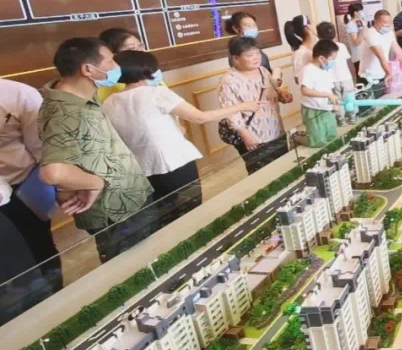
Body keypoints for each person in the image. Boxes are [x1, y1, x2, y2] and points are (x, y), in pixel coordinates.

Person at [38, 38, 154, 263]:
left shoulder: (82, 94)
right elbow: (53, 172)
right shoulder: (65, 111)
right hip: (114, 210)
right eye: (110, 61)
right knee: (134, 266)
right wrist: (96, 183)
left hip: (129, 197)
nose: (116, 66)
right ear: (88, 69)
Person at [105, 51, 258, 219]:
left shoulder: (109, 101)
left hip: (142, 168)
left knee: (163, 213)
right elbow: (200, 117)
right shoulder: (157, 93)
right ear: (145, 68)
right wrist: (241, 106)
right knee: (189, 210)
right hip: (174, 163)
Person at [0, 79, 60, 296]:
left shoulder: (18, 94)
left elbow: (41, 147)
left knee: (39, 245)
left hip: (26, 185)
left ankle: (55, 296)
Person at [219, 37, 287, 174]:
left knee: (283, 168)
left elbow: (270, 94)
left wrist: (281, 95)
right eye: (249, 55)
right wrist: (245, 135)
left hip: (275, 130)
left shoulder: (263, 71)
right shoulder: (228, 80)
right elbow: (230, 111)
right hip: (254, 136)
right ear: (236, 58)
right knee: (262, 173)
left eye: (257, 53)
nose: (256, 58)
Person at [300, 40, 343, 148]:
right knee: (318, 141)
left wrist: (335, 102)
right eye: (332, 59)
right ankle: (297, 137)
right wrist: (327, 95)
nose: (333, 62)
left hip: (327, 108)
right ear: (321, 58)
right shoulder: (308, 70)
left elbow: (330, 89)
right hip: (313, 109)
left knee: (331, 135)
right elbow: (305, 90)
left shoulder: (325, 69)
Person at [358, 10, 402, 90]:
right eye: (385, 23)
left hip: (383, 73)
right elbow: (381, 56)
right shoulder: (370, 34)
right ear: (376, 22)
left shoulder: (389, 32)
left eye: (390, 22)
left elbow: (398, 50)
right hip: (369, 76)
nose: (388, 25)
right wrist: (389, 73)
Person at [96, 28, 145, 101]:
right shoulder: (110, 83)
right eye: (132, 48)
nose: (141, 52)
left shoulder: (147, 72)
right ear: (112, 54)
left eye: (140, 45)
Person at [316, 22, 355, 87]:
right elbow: (346, 62)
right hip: (346, 78)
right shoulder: (341, 46)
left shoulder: (319, 49)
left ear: (319, 36)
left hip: (332, 81)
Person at [284, 14, 316, 84]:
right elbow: (299, 80)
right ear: (307, 27)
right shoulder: (299, 53)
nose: (315, 24)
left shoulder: (318, 45)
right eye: (312, 22)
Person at [343, 3, 367, 75]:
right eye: (361, 10)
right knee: (361, 77)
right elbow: (356, 42)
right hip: (358, 56)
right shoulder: (350, 25)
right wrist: (363, 30)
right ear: (355, 12)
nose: (363, 12)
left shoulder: (361, 21)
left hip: (365, 54)